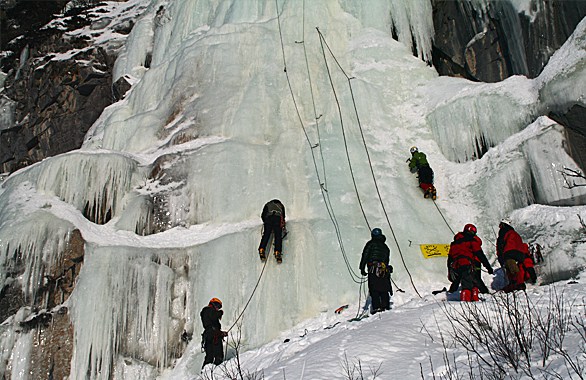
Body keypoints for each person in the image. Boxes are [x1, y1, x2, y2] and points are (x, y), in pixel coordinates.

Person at [447, 224, 493, 302]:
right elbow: (480, 255)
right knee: (469, 284)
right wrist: (488, 267)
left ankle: (455, 293)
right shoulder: (472, 241)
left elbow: (449, 259)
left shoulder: (454, 244)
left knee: (461, 280)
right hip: (467, 264)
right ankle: (466, 303)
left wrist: (450, 271)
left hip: (456, 266)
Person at [496, 219, 537, 292]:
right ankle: (518, 283)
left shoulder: (503, 231)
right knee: (518, 267)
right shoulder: (515, 233)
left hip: (509, 251)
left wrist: (500, 256)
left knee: (511, 268)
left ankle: (518, 284)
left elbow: (500, 243)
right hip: (520, 253)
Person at [359, 228, 393, 313]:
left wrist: (362, 268)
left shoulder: (371, 244)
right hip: (383, 269)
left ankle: (377, 307)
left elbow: (365, 256)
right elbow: (386, 260)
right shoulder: (385, 247)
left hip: (373, 268)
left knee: (374, 288)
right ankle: (385, 306)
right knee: (383, 287)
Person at [200, 298, 227, 368]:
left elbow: (213, 327)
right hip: (213, 336)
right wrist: (220, 312)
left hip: (209, 335)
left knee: (209, 357)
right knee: (218, 356)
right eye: (218, 306)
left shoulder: (206, 312)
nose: (218, 308)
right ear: (213, 304)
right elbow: (213, 316)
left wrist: (221, 333)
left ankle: (205, 374)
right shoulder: (209, 310)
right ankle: (216, 373)